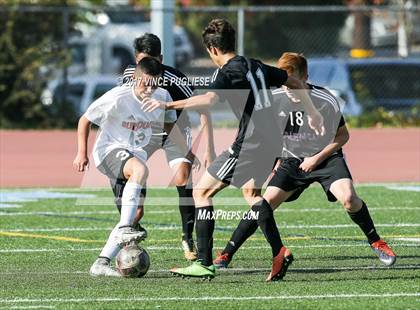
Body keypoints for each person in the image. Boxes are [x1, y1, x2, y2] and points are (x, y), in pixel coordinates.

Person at [142, 20, 324, 281]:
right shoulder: (257, 65)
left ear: (213, 50)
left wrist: (168, 106)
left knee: (202, 192)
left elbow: (208, 100)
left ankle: (204, 262)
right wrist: (313, 112)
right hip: (272, 141)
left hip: (250, 143)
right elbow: (294, 81)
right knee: (252, 194)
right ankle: (279, 251)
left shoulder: (226, 71)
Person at [213, 52, 397, 269]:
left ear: (306, 77)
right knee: (264, 204)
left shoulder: (325, 99)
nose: (290, 90)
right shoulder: (274, 99)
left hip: (327, 159)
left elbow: (342, 136)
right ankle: (226, 254)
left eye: (295, 84)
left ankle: (376, 240)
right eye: (286, 84)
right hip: (292, 162)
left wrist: (316, 158)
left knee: (349, 198)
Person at [73, 57, 190, 276]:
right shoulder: (118, 97)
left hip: (134, 155)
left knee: (134, 214)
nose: (150, 88)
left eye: (154, 83)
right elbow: (85, 119)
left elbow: (169, 124)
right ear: (135, 79)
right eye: (145, 83)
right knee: (140, 171)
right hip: (108, 151)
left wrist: (187, 150)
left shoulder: (162, 96)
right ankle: (125, 229)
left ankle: (101, 262)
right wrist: (81, 153)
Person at [123, 33, 216, 261]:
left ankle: (187, 237)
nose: (148, 70)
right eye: (143, 62)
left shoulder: (176, 80)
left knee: (183, 178)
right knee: (134, 183)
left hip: (173, 130)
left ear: (161, 58)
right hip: (143, 133)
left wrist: (207, 149)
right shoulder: (128, 76)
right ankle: (130, 234)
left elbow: (203, 108)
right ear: (137, 60)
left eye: (153, 62)